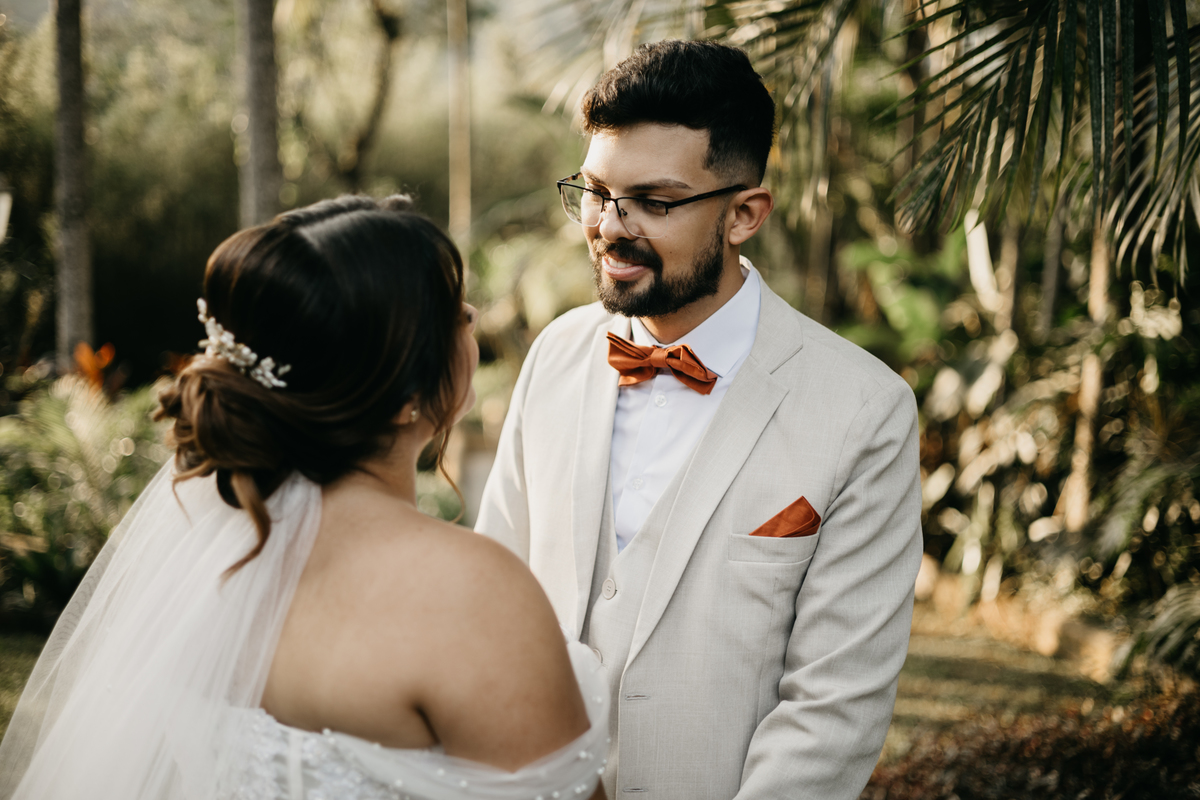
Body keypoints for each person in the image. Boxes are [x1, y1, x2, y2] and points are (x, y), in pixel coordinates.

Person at [0, 196, 608, 800]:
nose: (472, 316)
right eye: (452, 313)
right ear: (403, 399)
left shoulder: (205, 557)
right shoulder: (471, 593)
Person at [476, 40, 923, 799]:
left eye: (654, 202)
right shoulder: (555, 355)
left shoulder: (863, 411)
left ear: (745, 214)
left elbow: (833, 708)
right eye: (594, 192)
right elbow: (495, 597)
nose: (610, 227)